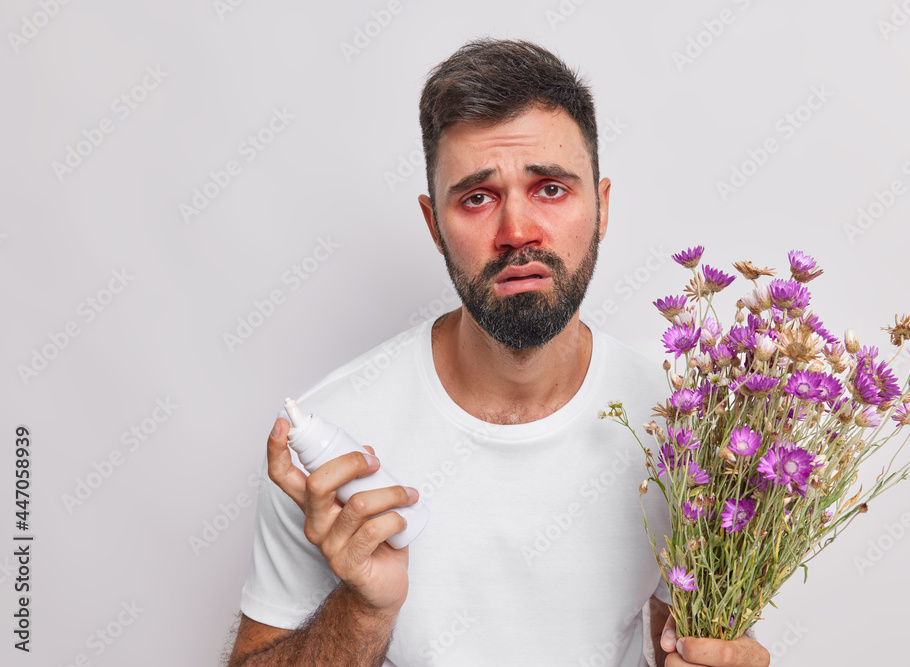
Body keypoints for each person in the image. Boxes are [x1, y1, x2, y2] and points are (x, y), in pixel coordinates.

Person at [226, 38, 770, 667]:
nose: (517, 232)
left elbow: (681, 640)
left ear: (602, 208)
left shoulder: (687, 427)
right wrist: (363, 609)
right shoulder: (334, 446)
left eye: (550, 189)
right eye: (477, 198)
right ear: (434, 225)